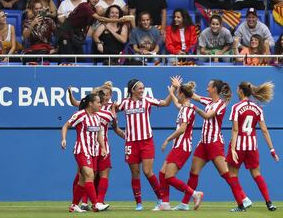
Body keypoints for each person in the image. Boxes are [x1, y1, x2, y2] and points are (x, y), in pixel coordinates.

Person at [173, 79, 251, 211]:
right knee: (193, 172)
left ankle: (242, 200)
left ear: (215, 89)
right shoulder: (208, 101)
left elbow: (208, 116)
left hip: (214, 143)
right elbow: (193, 96)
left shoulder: (220, 104)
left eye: (209, 86)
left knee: (225, 173)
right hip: (203, 143)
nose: (207, 88)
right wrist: (179, 86)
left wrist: (193, 107)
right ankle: (184, 203)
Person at [116, 78, 176, 211]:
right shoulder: (125, 103)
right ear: (132, 90)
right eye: (140, 88)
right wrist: (116, 127)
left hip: (146, 141)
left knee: (148, 171)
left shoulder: (147, 100)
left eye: (143, 88)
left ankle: (161, 199)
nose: (142, 90)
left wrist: (173, 90)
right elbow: (112, 110)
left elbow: (166, 103)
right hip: (131, 142)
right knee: (135, 173)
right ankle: (139, 203)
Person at [68, 81, 125, 210]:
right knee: (84, 175)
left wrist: (126, 135)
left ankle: (98, 202)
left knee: (99, 175)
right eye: (104, 93)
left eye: (109, 93)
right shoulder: (91, 106)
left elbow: (116, 126)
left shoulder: (111, 108)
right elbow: (76, 103)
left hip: (102, 145)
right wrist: (70, 94)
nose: (106, 96)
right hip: (87, 146)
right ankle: (83, 203)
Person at [227, 81, 279, 212]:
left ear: (240, 91)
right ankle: (269, 203)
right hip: (252, 146)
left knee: (233, 174)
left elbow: (235, 130)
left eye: (237, 89)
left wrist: (233, 149)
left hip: (239, 146)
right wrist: (272, 150)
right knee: (257, 174)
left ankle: (241, 206)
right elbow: (264, 130)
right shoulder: (258, 108)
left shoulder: (236, 107)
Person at [61, 93, 110, 213]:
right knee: (90, 176)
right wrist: (64, 139)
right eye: (98, 102)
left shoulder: (97, 117)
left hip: (93, 151)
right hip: (81, 150)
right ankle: (95, 204)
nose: (100, 104)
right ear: (90, 104)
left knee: (83, 180)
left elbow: (99, 134)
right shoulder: (80, 115)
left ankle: (74, 205)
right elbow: (66, 125)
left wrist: (103, 148)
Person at [159, 81, 204, 210]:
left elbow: (182, 129)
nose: (178, 96)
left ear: (182, 94)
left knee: (169, 177)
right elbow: (177, 104)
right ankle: (165, 203)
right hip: (179, 146)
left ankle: (195, 194)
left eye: (179, 94)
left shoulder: (186, 110)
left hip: (182, 147)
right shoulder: (186, 107)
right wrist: (172, 93)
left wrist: (167, 139)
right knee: (162, 173)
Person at [57, 0, 126, 57]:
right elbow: (100, 18)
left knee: (80, 60)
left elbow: (99, 21)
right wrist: (118, 20)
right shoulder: (85, 6)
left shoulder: (93, 9)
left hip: (76, 35)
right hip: (66, 32)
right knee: (68, 59)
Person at [22, 0, 56, 64]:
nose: (39, 10)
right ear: (32, 10)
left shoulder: (49, 21)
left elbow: (58, 34)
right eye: (36, 9)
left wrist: (55, 48)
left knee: (48, 55)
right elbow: (25, 36)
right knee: (26, 58)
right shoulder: (27, 22)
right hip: (33, 49)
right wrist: (32, 24)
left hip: (46, 49)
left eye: (40, 8)